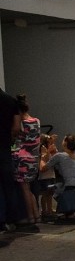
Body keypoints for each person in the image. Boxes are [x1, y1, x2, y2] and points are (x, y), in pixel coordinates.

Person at [43, 134, 75, 220]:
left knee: (55, 188)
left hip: (72, 192)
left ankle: (69, 211)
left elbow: (44, 168)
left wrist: (43, 157)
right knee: (70, 187)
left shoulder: (59, 156)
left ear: (65, 143)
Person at [11, 94, 41, 224]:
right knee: (30, 189)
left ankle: (30, 217)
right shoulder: (36, 121)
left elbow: (15, 140)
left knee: (25, 190)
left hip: (22, 159)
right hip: (34, 159)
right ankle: (37, 215)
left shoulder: (21, 124)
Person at [0, 87, 21, 233]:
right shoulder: (10, 100)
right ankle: (12, 219)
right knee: (9, 185)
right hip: (4, 147)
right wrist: (10, 139)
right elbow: (16, 127)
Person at [37, 134, 57, 219]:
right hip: (44, 177)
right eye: (49, 141)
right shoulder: (43, 149)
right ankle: (44, 210)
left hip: (51, 175)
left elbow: (55, 157)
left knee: (50, 193)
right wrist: (49, 151)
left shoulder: (51, 148)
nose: (51, 142)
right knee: (45, 194)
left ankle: (49, 209)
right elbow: (44, 160)